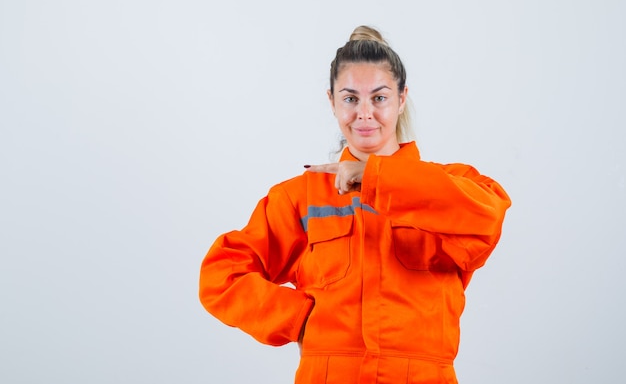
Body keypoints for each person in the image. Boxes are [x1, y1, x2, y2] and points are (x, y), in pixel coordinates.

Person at [199, 25, 511, 384]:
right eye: (350, 99)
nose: (364, 114)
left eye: (379, 98)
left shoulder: (454, 186)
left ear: (402, 98)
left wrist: (373, 177)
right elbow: (220, 274)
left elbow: (488, 216)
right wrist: (297, 319)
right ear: (331, 101)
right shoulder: (301, 197)